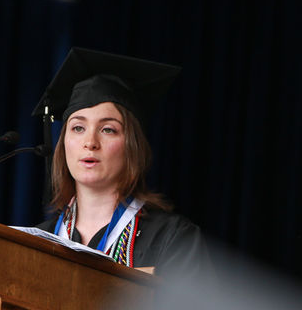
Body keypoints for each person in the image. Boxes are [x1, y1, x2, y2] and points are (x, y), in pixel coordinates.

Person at [34, 48, 207, 274]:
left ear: (132, 145)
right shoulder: (36, 241)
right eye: (78, 127)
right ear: (63, 142)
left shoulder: (173, 240)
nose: (90, 142)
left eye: (108, 129)